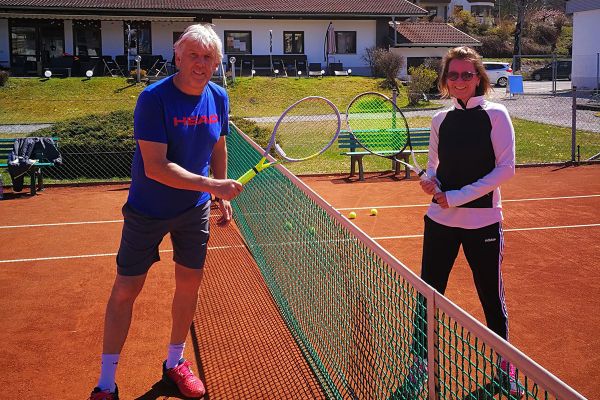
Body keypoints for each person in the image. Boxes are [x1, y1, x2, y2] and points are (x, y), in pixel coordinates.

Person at [89, 24, 243, 400]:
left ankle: (175, 362)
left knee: (189, 285)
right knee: (126, 289)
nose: (200, 64)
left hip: (193, 211)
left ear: (217, 63)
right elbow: (156, 167)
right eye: (193, 55)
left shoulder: (219, 97)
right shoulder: (153, 98)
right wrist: (213, 187)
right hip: (148, 209)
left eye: (209, 58)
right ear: (178, 56)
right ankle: (106, 383)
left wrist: (219, 195)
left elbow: (218, 148)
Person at [397, 46, 518, 398]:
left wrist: (457, 195)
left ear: (479, 78)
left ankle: (505, 369)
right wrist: (429, 181)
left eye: (467, 74)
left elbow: (505, 169)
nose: (460, 80)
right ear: (445, 80)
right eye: (454, 75)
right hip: (440, 221)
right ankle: (420, 365)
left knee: (490, 298)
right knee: (427, 296)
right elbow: (435, 165)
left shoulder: (496, 115)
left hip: (483, 221)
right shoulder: (440, 120)